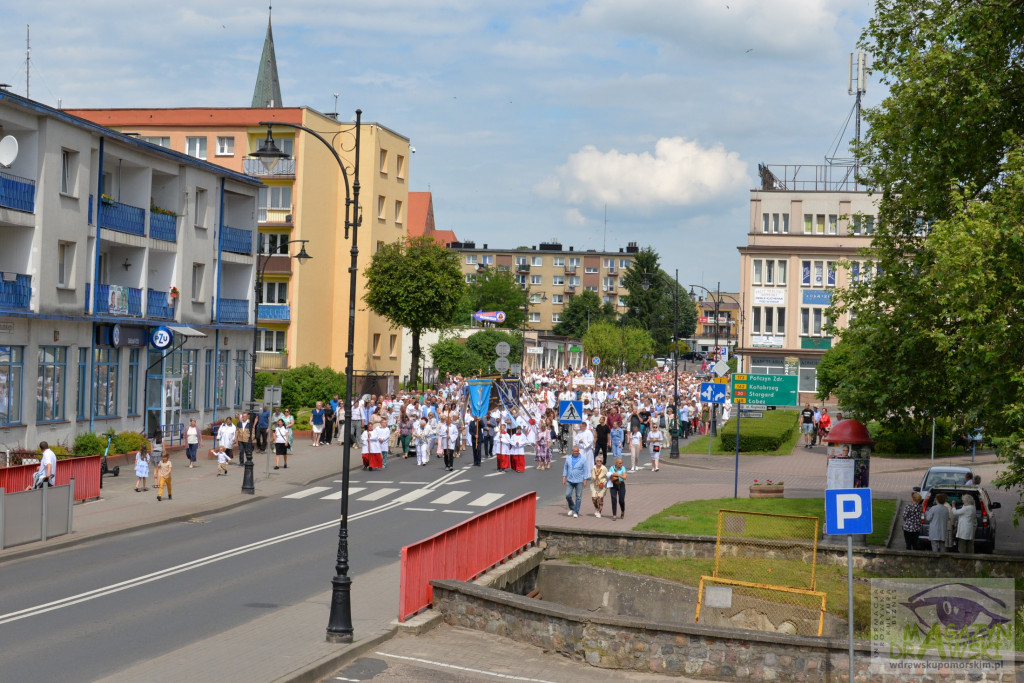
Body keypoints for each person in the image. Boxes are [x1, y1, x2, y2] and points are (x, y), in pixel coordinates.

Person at [562, 446, 590, 518]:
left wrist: (585, 480)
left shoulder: (582, 459)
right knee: (568, 495)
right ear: (572, 451)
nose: (576, 452)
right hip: (570, 480)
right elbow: (565, 468)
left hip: (579, 480)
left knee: (578, 497)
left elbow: (585, 470)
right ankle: (572, 507)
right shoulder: (568, 458)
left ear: (579, 451)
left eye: (577, 451)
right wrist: (564, 477)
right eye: (574, 451)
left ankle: (576, 512)